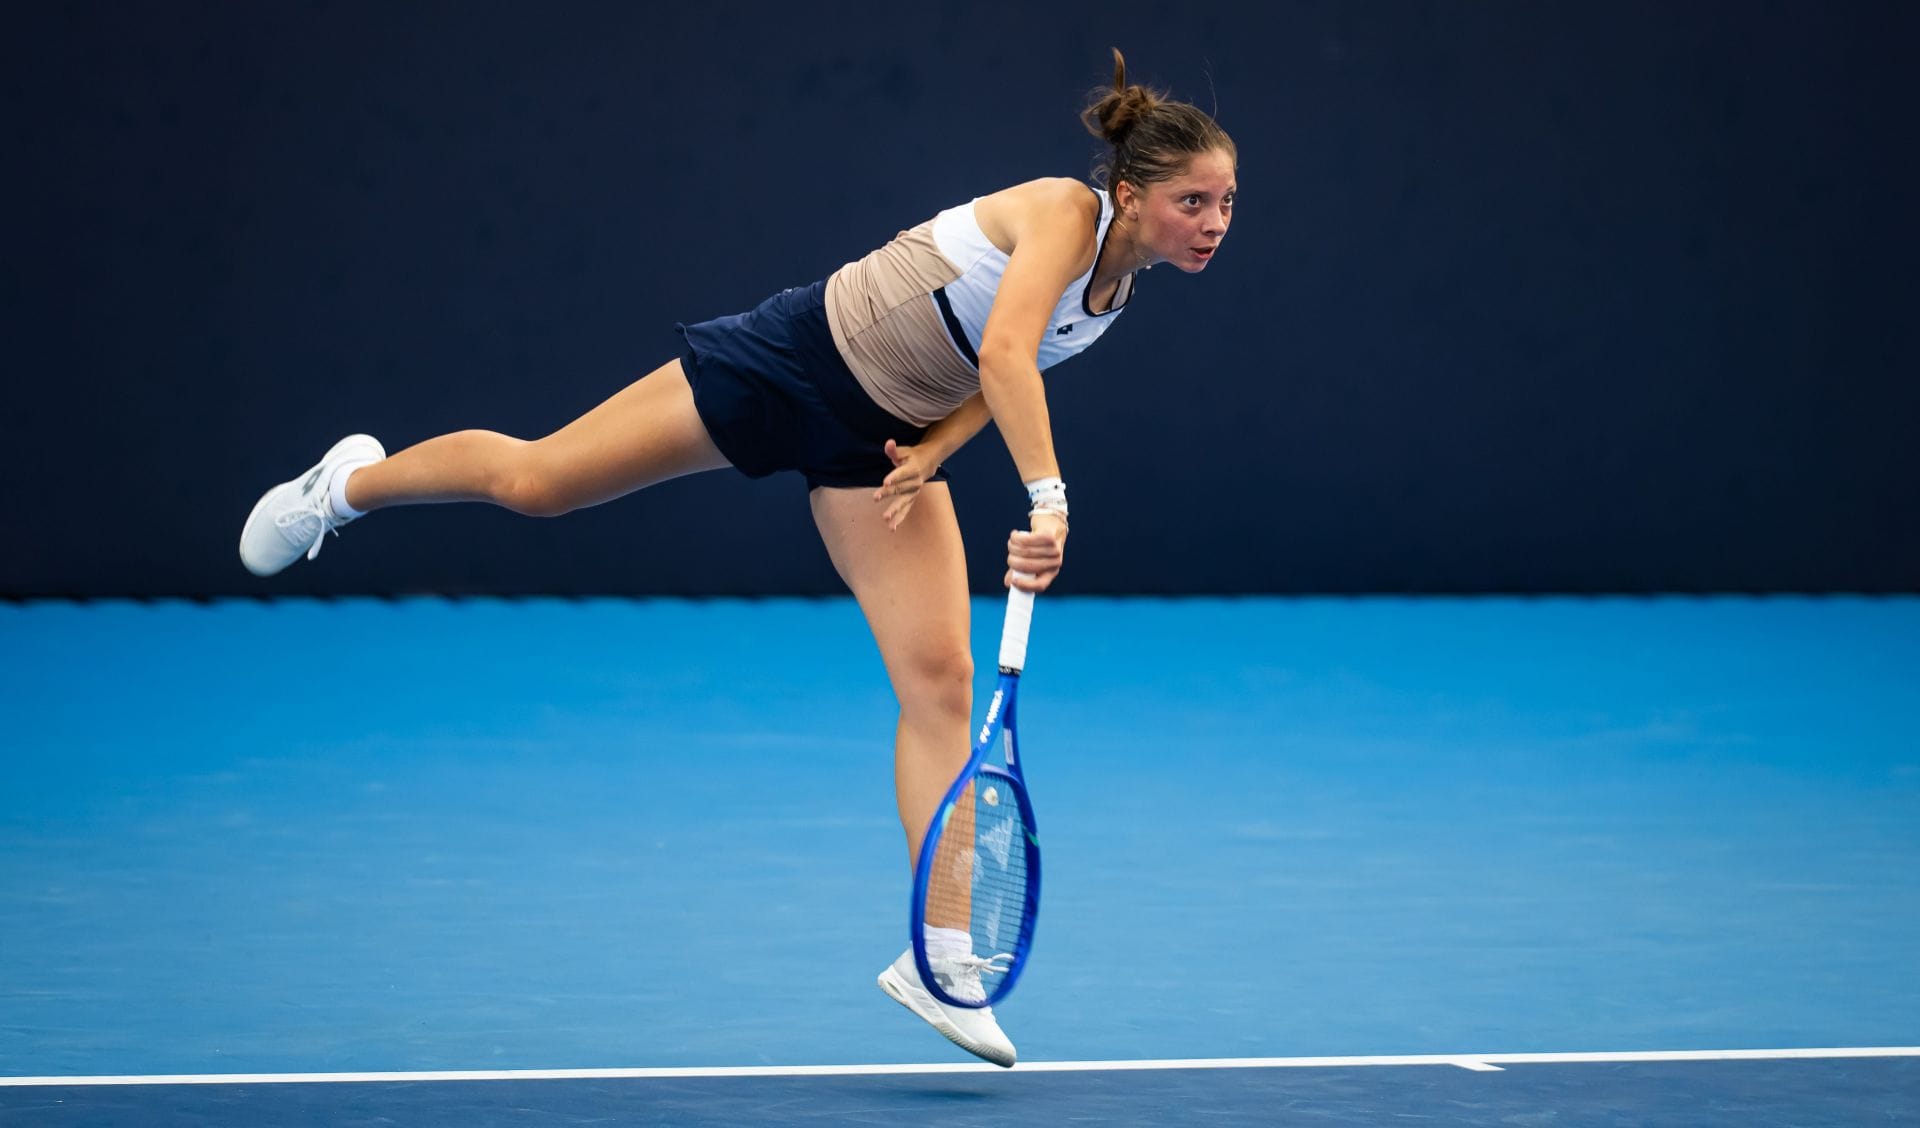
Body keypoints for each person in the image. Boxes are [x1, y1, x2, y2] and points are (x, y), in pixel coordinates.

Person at [239, 49, 1235, 1068]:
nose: (1213, 222)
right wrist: (1049, 494)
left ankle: (942, 958)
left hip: (877, 450)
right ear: (1129, 192)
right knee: (538, 485)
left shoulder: (1114, 298)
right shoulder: (1064, 214)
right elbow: (1005, 352)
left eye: (1227, 203)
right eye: (1193, 200)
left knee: (940, 682)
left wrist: (936, 450)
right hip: (790, 365)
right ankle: (347, 487)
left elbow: (993, 377)